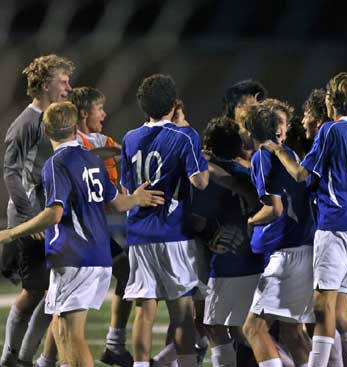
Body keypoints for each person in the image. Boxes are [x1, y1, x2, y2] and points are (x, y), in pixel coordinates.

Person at [0, 101, 165, 367]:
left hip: (75, 256)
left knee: (72, 336)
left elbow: (54, 214)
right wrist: (136, 198)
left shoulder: (56, 164)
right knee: (61, 330)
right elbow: (115, 203)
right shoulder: (91, 159)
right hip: (94, 255)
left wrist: (14, 232)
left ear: (46, 131)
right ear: (74, 127)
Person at [262, 72, 347, 367]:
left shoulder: (331, 131)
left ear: (332, 101)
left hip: (335, 226)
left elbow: (301, 174)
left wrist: (277, 150)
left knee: (323, 308)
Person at [120, 74, 209, 367]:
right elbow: (200, 182)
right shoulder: (185, 136)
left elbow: (125, 190)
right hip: (172, 234)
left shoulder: (130, 138)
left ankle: (141, 364)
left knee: (144, 312)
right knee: (182, 313)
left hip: (139, 235)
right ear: (173, 104)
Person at [0, 54, 74, 367]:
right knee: (36, 289)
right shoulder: (26, 123)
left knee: (54, 292)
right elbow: (11, 173)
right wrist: (29, 217)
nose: (68, 87)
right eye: (63, 81)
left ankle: (26, 359)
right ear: (46, 85)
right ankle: (8, 359)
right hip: (32, 218)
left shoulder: (54, 119)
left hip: (51, 214)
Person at [242, 103, 315, 367]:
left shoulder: (262, 156)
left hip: (287, 254)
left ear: (249, 130)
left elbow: (275, 209)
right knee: (293, 334)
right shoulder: (289, 153)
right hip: (304, 246)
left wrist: (249, 221)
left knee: (253, 329)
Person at [69, 86, 134, 366]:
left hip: (96, 227)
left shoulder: (104, 139)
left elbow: (109, 194)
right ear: (84, 113)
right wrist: (115, 151)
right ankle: (46, 359)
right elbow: (82, 159)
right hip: (73, 228)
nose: (104, 113)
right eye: (99, 108)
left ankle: (114, 344)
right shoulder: (71, 138)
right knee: (67, 305)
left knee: (127, 272)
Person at [195, 116, 264, 367]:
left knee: (216, 327)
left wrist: (208, 236)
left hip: (228, 262)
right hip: (254, 258)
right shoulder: (248, 171)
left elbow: (198, 221)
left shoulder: (209, 178)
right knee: (244, 330)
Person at [222, 79, 268, 161]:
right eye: (244, 105)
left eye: (259, 106)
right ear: (232, 110)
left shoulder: (270, 140)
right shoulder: (224, 145)